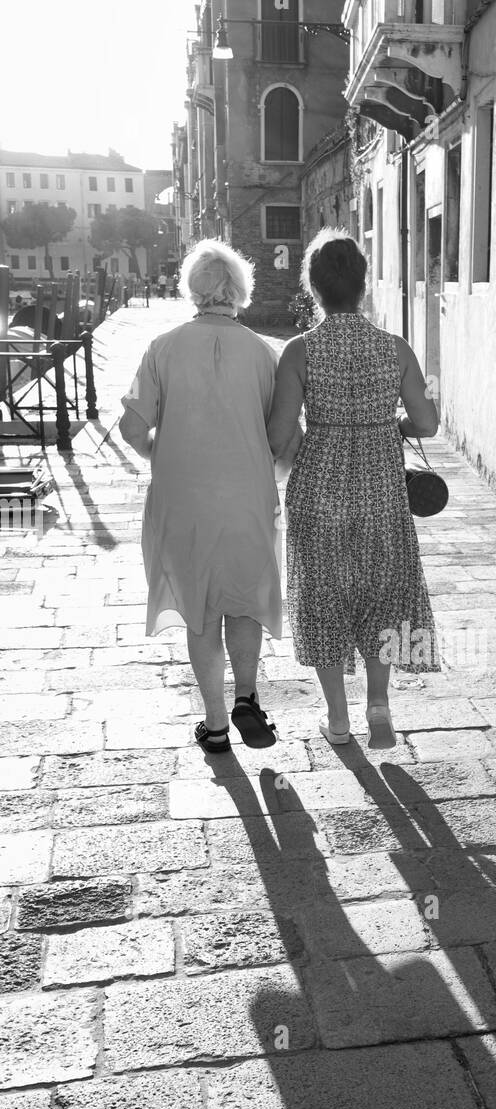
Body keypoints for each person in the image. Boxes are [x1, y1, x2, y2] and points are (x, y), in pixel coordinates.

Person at [267, 229, 440, 751]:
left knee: (322, 598)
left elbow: (278, 436)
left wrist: (310, 438)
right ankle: (380, 707)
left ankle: (338, 719)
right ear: (363, 286)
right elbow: (427, 424)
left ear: (313, 289)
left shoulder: (301, 350)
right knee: (382, 594)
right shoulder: (394, 348)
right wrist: (389, 426)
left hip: (319, 491)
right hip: (382, 490)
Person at [119, 239, 283, 754]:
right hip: (245, 500)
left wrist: (161, 454)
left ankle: (215, 725)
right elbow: (282, 440)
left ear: (191, 289)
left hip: (182, 500)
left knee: (200, 610)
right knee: (244, 601)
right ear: (240, 290)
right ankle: (248, 698)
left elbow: (129, 427)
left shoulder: (162, 347)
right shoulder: (263, 352)